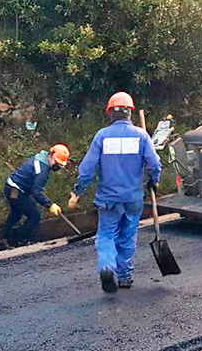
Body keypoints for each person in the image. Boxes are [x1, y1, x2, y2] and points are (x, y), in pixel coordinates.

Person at [69, 92, 162, 293]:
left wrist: (79, 191)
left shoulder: (102, 136)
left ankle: (107, 267)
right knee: (128, 236)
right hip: (133, 198)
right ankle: (125, 276)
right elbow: (154, 164)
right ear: (130, 113)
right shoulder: (141, 135)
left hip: (108, 199)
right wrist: (154, 182)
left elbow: (87, 168)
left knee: (106, 236)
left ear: (110, 113)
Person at [0, 144, 70, 249]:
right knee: (34, 216)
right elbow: (37, 191)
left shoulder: (43, 158)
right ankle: (19, 240)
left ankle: (1, 240)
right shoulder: (42, 170)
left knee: (16, 215)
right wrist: (50, 205)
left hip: (12, 186)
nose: (57, 167)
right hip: (15, 190)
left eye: (60, 165)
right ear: (51, 156)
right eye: (57, 163)